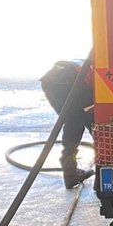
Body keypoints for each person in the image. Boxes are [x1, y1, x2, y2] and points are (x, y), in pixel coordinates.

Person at [40, 58, 94, 188]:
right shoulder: (97, 69)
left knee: (73, 120)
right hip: (68, 84)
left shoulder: (90, 61)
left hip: (49, 83)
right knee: (93, 124)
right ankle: (103, 168)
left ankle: (70, 172)